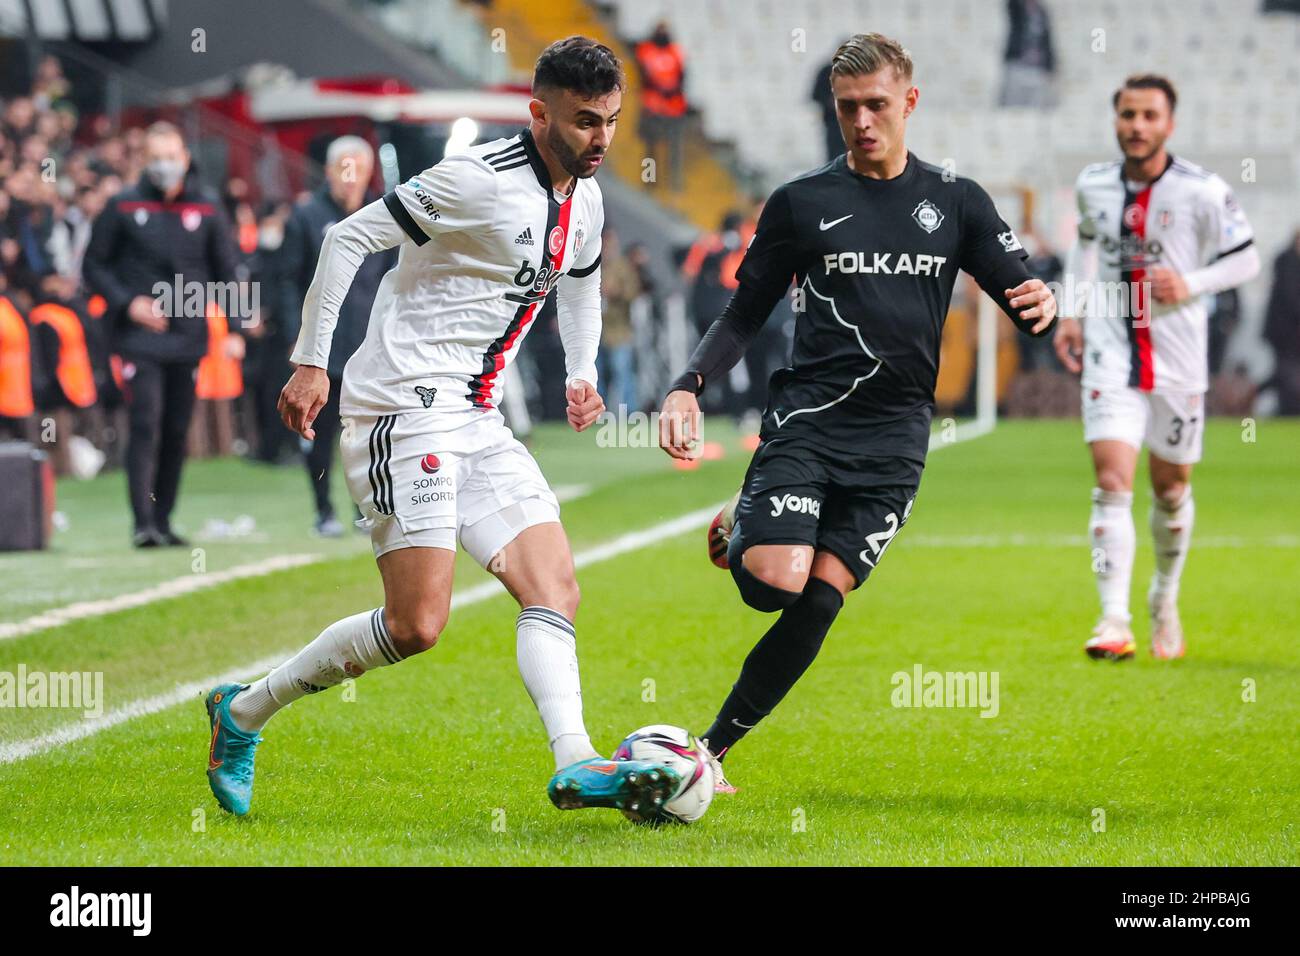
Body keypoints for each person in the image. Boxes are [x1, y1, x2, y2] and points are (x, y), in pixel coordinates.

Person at [203, 36, 680, 819]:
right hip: (402, 407)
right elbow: (346, 237)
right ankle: (243, 712)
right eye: (585, 121)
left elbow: (583, 288)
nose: (601, 139)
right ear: (539, 113)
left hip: (478, 417)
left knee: (554, 585)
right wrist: (311, 361)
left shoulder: (586, 199)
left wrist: (582, 372)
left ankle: (578, 761)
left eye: (612, 121)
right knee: (417, 625)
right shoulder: (475, 180)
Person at [658, 34, 1057, 791]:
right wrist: (688, 384)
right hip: (810, 420)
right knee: (771, 581)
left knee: (817, 602)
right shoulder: (803, 203)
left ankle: (710, 754)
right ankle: (745, 523)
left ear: (910, 102)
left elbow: (1022, 290)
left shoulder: (957, 200)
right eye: (849, 108)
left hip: (897, 441)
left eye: (878, 105)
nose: (864, 121)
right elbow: (743, 313)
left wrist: (1043, 303)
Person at [1053, 75, 1260, 661]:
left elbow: (1245, 259)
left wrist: (1191, 282)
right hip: (1110, 350)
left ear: (1169, 123)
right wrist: (1072, 309)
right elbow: (1085, 244)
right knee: (1112, 481)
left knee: (1170, 490)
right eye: (1127, 115)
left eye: (1148, 116)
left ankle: (1163, 597)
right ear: (1115, 119)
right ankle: (1112, 620)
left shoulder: (1202, 190)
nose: (1136, 126)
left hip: (1178, 359)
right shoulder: (1093, 184)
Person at [82, 121, 240, 547]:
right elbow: (94, 266)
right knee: (146, 421)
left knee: (176, 428)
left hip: (188, 337)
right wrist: (127, 303)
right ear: (143, 161)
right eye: (156, 158)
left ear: (185, 159)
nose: (164, 166)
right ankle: (142, 523)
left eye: (171, 157)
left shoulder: (207, 207)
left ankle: (165, 518)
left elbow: (227, 269)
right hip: (139, 337)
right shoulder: (121, 205)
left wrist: (237, 327)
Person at [277, 136, 396, 535]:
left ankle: (363, 507)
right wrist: (299, 341)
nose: (349, 178)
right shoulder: (306, 217)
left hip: (370, 342)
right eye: (342, 169)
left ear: (367, 173)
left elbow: (395, 279)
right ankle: (323, 510)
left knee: (367, 430)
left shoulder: (386, 213)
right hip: (321, 348)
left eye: (357, 169)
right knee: (320, 430)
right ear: (328, 172)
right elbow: (287, 282)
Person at [634, 21, 688, 191]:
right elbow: (645, 75)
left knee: (675, 150)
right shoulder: (646, 49)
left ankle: (674, 185)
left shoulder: (676, 51)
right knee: (651, 148)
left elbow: (682, 77)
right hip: (653, 106)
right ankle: (649, 181)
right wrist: (663, 88)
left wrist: (671, 89)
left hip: (674, 107)